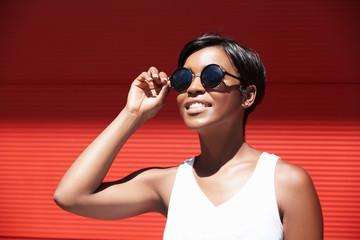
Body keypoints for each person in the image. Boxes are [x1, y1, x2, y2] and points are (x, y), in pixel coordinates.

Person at [54, 34, 323, 239]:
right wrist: (132, 113)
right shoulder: (168, 184)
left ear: (248, 95)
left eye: (212, 76)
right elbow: (71, 196)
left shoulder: (286, 182)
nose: (194, 88)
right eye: (183, 78)